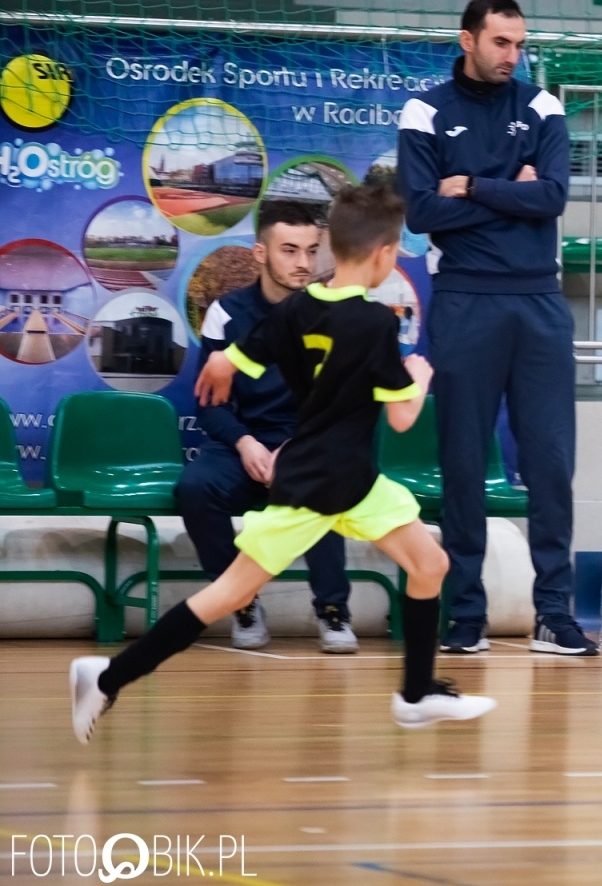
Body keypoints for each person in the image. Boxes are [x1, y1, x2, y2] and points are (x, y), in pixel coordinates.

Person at [69, 184, 495, 743]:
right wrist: (418, 379)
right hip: (317, 486)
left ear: (329, 248)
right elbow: (401, 420)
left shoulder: (299, 308)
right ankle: (106, 676)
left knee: (429, 564)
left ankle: (415, 695)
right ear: (385, 255)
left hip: (354, 481)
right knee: (229, 595)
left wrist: (220, 363)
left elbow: (237, 356)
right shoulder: (374, 324)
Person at [397, 0, 593, 657]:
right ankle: (467, 617)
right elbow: (421, 212)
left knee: (550, 463)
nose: (514, 55)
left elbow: (555, 197)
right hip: (463, 302)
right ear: (468, 40)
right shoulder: (426, 109)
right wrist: (516, 186)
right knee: (460, 463)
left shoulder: (541, 105)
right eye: (502, 43)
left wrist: (475, 187)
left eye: (520, 44)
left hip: (539, 303)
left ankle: (555, 615)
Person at [178, 199, 357, 653]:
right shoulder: (227, 313)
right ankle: (241, 600)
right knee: (196, 488)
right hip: (244, 445)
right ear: (260, 253)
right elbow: (208, 405)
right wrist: (244, 443)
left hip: (304, 445)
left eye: (312, 251)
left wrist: (296, 448)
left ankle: (333, 611)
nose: (303, 263)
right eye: (289, 250)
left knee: (325, 478)